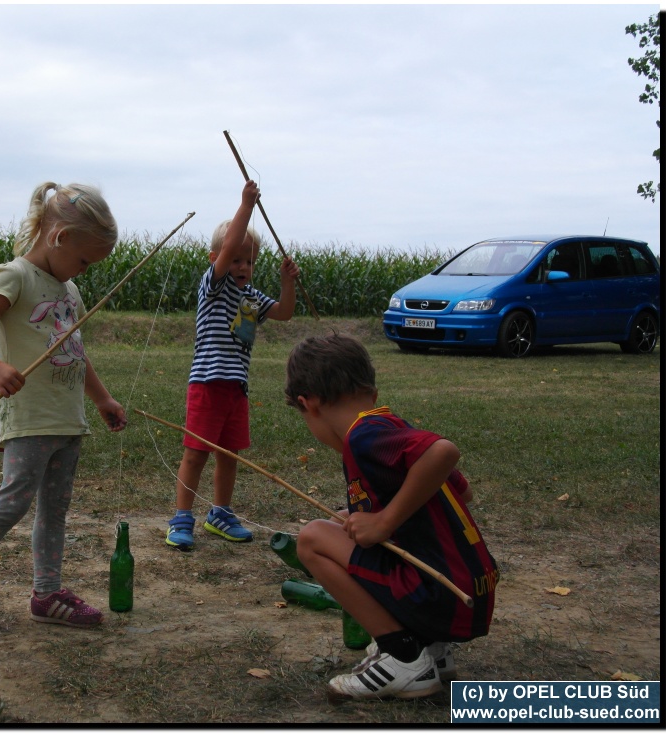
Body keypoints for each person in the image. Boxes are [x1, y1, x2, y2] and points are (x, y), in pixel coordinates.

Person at [0, 182, 128, 645]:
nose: (84, 270)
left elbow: (75, 352)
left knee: (54, 510)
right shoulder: (14, 276)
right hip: (29, 418)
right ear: (59, 237)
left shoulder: (70, 291)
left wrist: (101, 398)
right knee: (12, 503)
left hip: (66, 418)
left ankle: (46, 595)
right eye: (84, 260)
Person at [284, 333, 498, 701]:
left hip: (441, 596)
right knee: (335, 530)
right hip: (470, 593)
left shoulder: (363, 436)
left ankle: (404, 656)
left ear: (309, 403)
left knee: (313, 540)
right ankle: (432, 652)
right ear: (372, 393)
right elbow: (463, 493)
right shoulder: (390, 427)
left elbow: (444, 453)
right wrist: (373, 516)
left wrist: (383, 523)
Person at [165, 180, 300, 550]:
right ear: (218, 260)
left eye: (250, 261)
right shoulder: (215, 285)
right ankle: (181, 517)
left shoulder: (252, 297)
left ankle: (220, 514)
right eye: (237, 259)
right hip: (207, 384)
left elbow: (285, 313)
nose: (243, 266)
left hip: (235, 388)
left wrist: (287, 282)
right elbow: (230, 245)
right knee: (196, 453)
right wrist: (246, 206)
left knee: (229, 455)